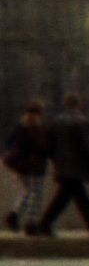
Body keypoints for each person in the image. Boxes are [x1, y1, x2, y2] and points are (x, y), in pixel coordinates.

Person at [39, 93, 89, 238]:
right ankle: (45, 224)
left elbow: (47, 146)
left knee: (74, 197)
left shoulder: (55, 123)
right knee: (72, 198)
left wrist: (56, 160)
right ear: (79, 105)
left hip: (62, 166)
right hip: (78, 167)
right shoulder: (83, 123)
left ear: (65, 105)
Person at [3, 100, 51, 236]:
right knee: (35, 195)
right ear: (39, 114)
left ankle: (14, 214)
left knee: (26, 192)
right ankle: (30, 224)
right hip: (34, 167)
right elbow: (42, 147)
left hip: (20, 167)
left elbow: (9, 143)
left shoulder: (21, 126)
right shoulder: (38, 129)